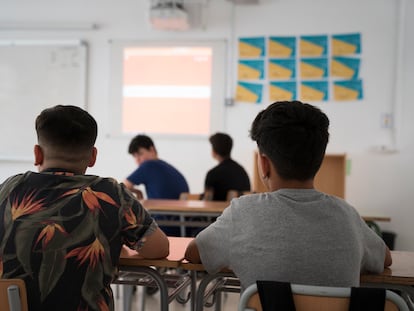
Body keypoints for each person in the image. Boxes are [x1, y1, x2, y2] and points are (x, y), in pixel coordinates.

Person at [185, 100, 392, 291]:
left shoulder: (243, 213)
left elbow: (194, 253)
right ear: (318, 161)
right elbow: (385, 259)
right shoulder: (347, 215)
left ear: (264, 164)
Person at [0, 105, 169, 311]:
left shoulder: (8, 190)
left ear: (37, 153)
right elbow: (159, 248)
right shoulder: (109, 193)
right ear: (93, 157)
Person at [124, 134, 189, 236]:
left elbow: (123, 186)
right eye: (135, 156)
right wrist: (138, 191)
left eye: (140, 154)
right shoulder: (167, 167)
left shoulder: (149, 165)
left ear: (152, 149)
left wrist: (137, 192)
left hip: (162, 225)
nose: (138, 160)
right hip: (182, 224)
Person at [204, 132, 251, 201]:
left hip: (219, 211)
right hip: (241, 210)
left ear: (214, 151)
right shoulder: (242, 171)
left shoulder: (212, 174)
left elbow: (207, 201)